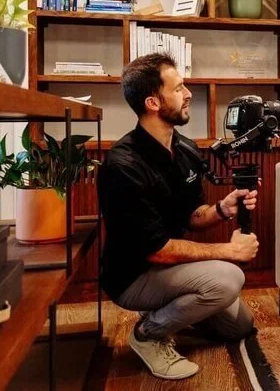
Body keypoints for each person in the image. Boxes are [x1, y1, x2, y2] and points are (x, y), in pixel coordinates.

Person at [98, 53, 260, 380]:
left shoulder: (184, 147)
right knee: (229, 279)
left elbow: (192, 216)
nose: (188, 94)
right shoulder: (122, 165)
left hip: (170, 267)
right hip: (134, 275)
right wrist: (228, 252)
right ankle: (149, 333)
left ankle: (170, 311)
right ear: (153, 102)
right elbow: (156, 249)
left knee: (239, 326)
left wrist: (222, 209)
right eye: (179, 88)